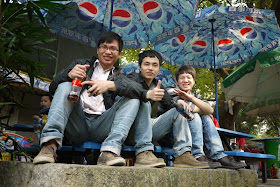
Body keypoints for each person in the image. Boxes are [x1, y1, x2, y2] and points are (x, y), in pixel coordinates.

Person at [33, 32, 164, 167]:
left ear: (119, 54)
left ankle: (109, 152)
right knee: (66, 84)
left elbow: (134, 88)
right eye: (104, 47)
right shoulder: (81, 64)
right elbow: (53, 88)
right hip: (78, 123)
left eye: (112, 48)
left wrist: (109, 85)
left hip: (102, 126)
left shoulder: (119, 76)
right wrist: (68, 74)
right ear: (97, 50)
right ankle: (49, 145)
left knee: (133, 99)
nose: (108, 52)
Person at [126, 50, 209, 168]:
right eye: (146, 64)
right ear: (140, 67)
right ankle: (143, 152)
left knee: (177, 112)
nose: (150, 68)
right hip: (131, 129)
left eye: (154, 65)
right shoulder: (132, 78)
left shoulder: (158, 86)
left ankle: (183, 155)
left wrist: (178, 102)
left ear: (159, 69)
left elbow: (170, 104)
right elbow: (126, 88)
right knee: (144, 103)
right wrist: (147, 94)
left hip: (150, 128)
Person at [159, 65, 246, 169]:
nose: (186, 80)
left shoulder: (196, 96)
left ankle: (219, 155)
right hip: (173, 136)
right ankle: (198, 155)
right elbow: (187, 109)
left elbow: (210, 110)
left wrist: (191, 98)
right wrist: (202, 109)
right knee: (197, 114)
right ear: (177, 82)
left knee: (206, 117)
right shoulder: (171, 91)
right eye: (182, 78)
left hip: (189, 137)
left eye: (189, 77)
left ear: (194, 81)